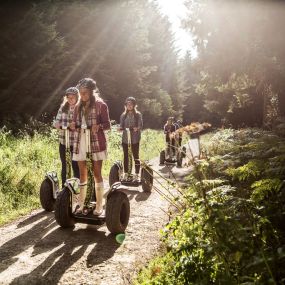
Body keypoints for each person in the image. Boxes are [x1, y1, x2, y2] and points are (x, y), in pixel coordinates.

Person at [71, 78, 111, 216]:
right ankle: (82, 204)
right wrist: (72, 126)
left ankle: (99, 205)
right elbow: (75, 123)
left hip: (96, 142)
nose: (82, 96)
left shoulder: (101, 105)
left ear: (92, 92)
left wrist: (98, 126)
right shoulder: (78, 106)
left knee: (96, 172)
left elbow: (107, 125)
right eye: (80, 93)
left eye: (85, 93)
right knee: (82, 173)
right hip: (80, 141)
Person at [54, 87, 80, 187]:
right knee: (64, 165)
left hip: (75, 143)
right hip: (63, 141)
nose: (70, 99)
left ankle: (77, 188)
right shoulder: (63, 107)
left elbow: (78, 124)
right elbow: (56, 123)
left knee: (75, 166)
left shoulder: (80, 108)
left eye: (72, 97)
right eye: (68, 97)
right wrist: (68, 126)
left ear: (77, 97)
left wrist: (64, 125)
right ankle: (64, 188)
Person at [119, 97, 143, 181]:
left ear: (134, 105)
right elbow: (121, 125)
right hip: (125, 138)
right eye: (127, 104)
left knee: (135, 155)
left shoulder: (138, 115)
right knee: (126, 155)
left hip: (135, 138)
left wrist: (137, 128)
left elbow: (140, 124)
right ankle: (126, 173)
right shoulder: (123, 115)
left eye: (131, 104)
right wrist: (120, 128)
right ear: (126, 105)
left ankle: (136, 174)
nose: (129, 106)